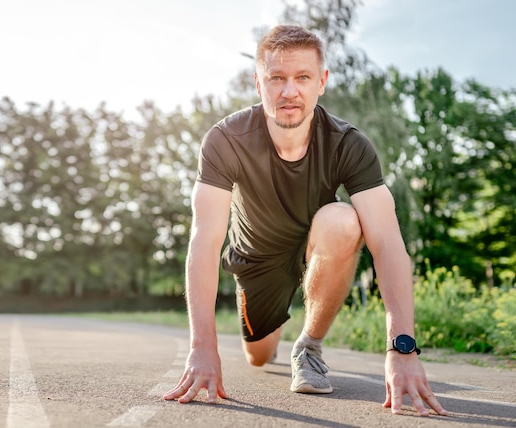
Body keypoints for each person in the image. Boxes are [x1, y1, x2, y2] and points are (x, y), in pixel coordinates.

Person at [163, 24, 448, 417]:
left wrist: (402, 348)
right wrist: (202, 348)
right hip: (257, 260)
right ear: (258, 83)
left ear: (322, 82)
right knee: (259, 357)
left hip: (318, 242)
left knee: (346, 221)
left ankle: (309, 345)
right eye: (276, 78)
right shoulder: (225, 140)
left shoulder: (349, 144)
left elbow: (387, 242)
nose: (289, 91)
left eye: (302, 77)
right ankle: (273, 325)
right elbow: (205, 240)